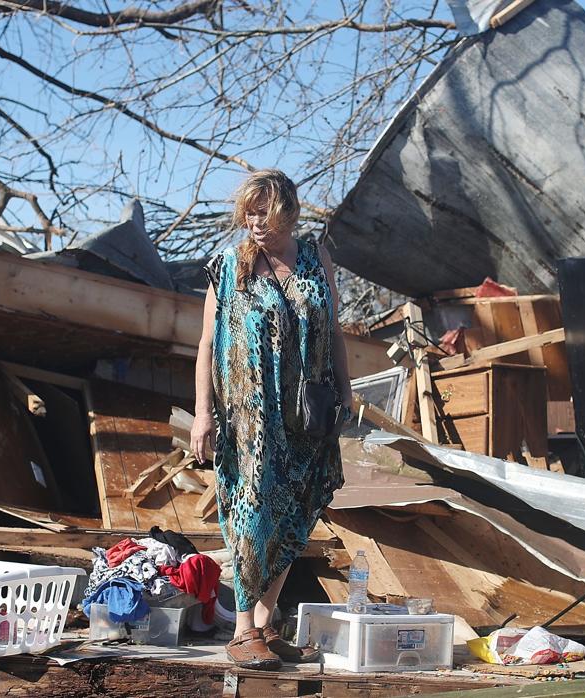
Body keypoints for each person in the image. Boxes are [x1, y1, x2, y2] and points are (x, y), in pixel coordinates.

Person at [191, 169, 351, 670]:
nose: (256, 222)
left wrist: (345, 390)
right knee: (255, 511)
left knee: (298, 511)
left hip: (307, 413)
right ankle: (241, 629)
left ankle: (264, 623)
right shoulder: (227, 266)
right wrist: (202, 414)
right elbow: (207, 343)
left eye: (266, 212)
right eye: (249, 212)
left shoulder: (314, 258)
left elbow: (335, 332)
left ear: (289, 211)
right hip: (250, 417)